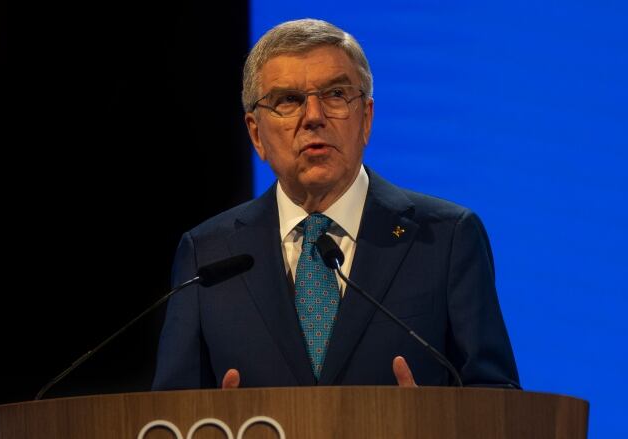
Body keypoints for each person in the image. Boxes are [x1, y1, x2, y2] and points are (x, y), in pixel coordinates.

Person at [152, 18, 519, 390]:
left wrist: (433, 422)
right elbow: (168, 415)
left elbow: (497, 399)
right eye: (288, 100)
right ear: (255, 133)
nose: (313, 117)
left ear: (366, 119)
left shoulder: (446, 238)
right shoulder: (208, 255)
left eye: (336, 95)